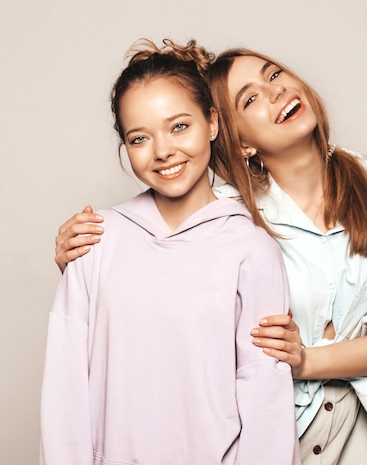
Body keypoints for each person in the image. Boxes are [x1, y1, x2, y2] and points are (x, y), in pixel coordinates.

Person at [54, 41, 367, 465]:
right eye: (251, 98)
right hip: (252, 435)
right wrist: (89, 261)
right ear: (238, 143)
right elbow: (155, 303)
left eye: (273, 74)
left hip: (346, 431)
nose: (274, 92)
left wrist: (307, 360)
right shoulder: (224, 218)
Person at [40, 39, 300, 465]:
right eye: (140, 137)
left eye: (180, 126)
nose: (163, 151)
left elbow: (264, 397)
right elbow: (66, 392)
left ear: (212, 123)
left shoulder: (251, 250)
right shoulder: (93, 241)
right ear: (125, 145)